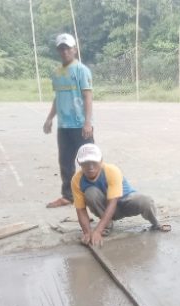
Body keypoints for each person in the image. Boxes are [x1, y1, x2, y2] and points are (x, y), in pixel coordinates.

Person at [71, 144, 170, 246]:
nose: (90, 166)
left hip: (125, 203)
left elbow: (112, 203)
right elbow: (80, 210)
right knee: (90, 192)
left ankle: (156, 224)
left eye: (94, 162)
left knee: (146, 201)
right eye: (86, 163)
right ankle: (107, 225)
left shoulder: (111, 170)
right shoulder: (77, 180)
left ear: (101, 160)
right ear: (79, 162)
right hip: (104, 208)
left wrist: (97, 231)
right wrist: (87, 232)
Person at [43, 33, 95, 208]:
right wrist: (50, 118)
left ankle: (95, 194)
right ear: (58, 51)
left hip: (81, 125)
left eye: (68, 48)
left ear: (75, 49)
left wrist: (88, 122)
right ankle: (68, 196)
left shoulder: (82, 71)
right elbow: (57, 98)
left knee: (89, 160)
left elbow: (88, 96)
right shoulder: (57, 73)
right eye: (61, 48)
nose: (65, 51)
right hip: (64, 126)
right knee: (65, 162)